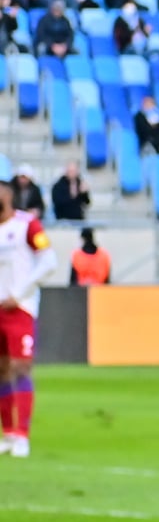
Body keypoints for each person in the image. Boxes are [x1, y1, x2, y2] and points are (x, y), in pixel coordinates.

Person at [0, 180, 55, 458]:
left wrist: (19, 292)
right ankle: (8, 433)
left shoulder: (27, 225)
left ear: (8, 194)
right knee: (1, 370)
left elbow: (49, 261)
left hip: (19, 308)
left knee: (21, 366)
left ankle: (23, 435)